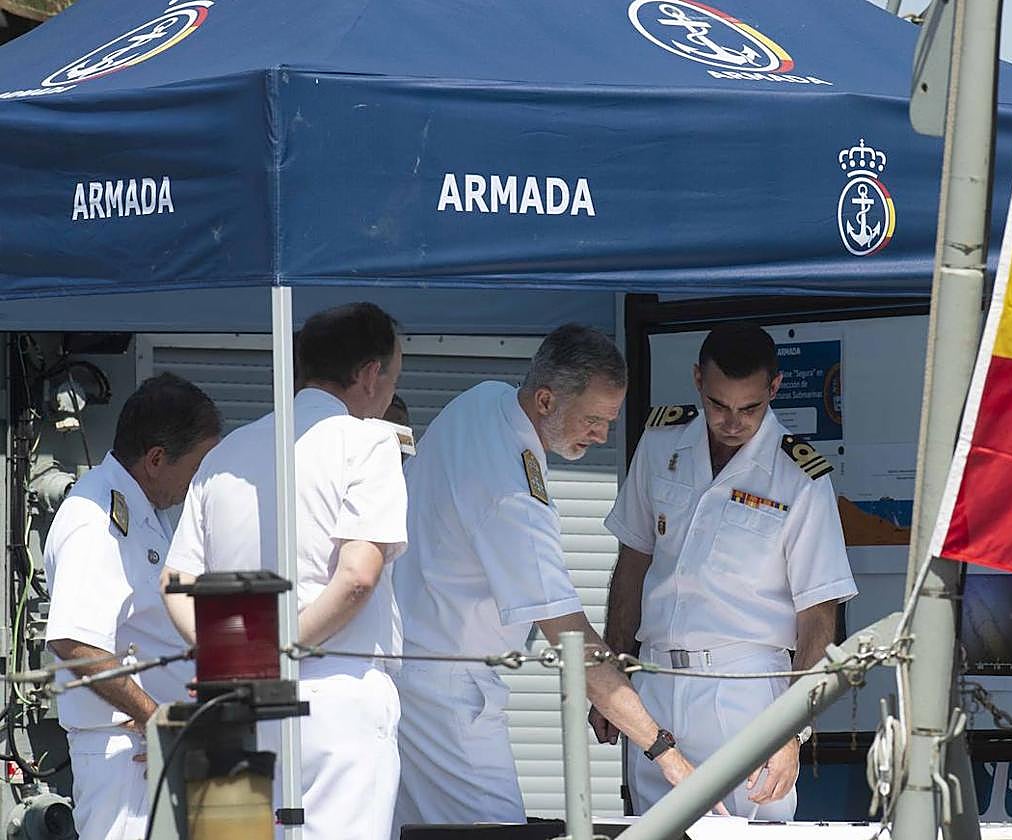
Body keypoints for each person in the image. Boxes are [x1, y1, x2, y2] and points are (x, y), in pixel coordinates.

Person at [392, 323, 713, 828]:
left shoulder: (483, 400)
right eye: (592, 419)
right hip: (445, 692)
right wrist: (664, 752)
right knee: (495, 833)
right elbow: (569, 640)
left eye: (609, 421)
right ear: (545, 400)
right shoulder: (514, 493)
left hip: (407, 671)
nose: (602, 435)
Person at [163, 302, 408, 840]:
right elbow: (358, 576)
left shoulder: (227, 452)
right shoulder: (368, 442)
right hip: (336, 696)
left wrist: (231, 651)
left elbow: (175, 581)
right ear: (370, 374)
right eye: (393, 375)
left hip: (232, 696)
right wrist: (280, 649)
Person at [594, 322, 858, 818]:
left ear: (774, 389)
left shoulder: (799, 478)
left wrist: (793, 731)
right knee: (654, 830)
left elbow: (818, 616)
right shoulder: (659, 444)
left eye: (749, 408)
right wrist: (612, 676)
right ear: (697, 380)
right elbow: (632, 565)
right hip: (653, 681)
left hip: (744, 690)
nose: (732, 422)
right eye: (718, 405)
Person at [44, 373, 220, 840]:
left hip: (151, 749)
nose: (200, 480)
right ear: (157, 459)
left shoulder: (143, 512)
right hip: (125, 755)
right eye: (198, 465)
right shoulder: (94, 517)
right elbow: (74, 639)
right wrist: (155, 718)